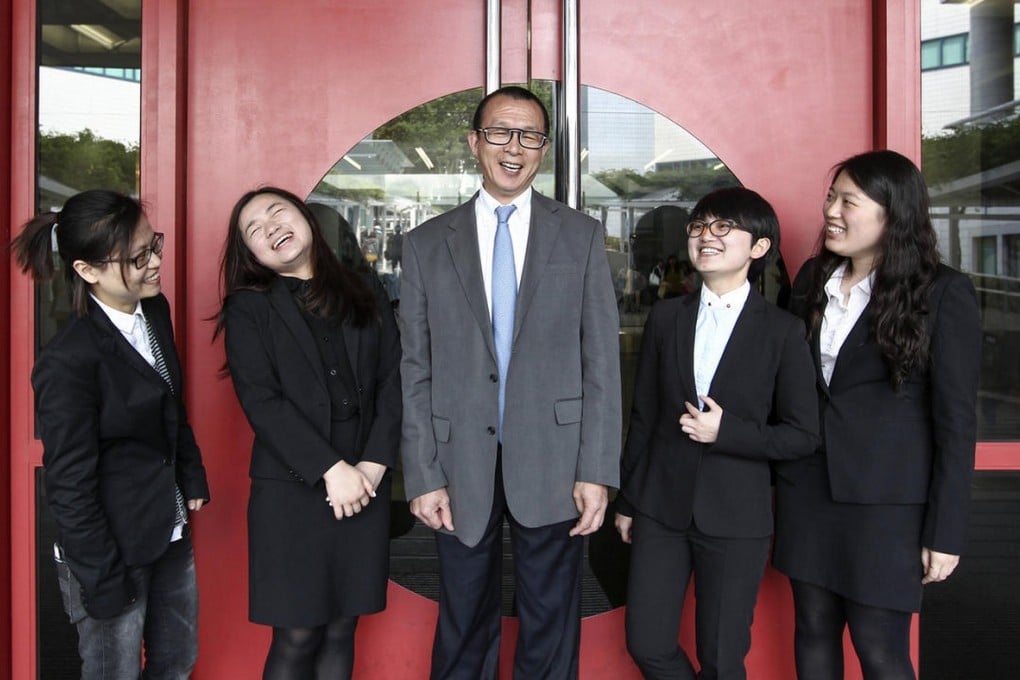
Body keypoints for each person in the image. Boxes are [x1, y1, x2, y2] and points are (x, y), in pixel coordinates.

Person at [399, 85, 622, 679]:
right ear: (475, 142)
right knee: (463, 615)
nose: (513, 147)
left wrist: (596, 470)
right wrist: (420, 474)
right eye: (500, 132)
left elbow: (602, 362)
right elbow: (414, 369)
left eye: (529, 136)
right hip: (456, 459)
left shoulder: (580, 236)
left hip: (555, 455)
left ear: (543, 150)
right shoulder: (424, 245)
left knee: (551, 616)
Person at [772, 150, 981, 679]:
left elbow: (956, 422)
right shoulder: (811, 278)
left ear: (894, 213)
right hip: (809, 492)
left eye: (849, 200)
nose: (831, 211)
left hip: (887, 507)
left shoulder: (943, 292)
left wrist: (946, 530)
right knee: (813, 632)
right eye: (830, 196)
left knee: (880, 650)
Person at [615, 187, 819, 679]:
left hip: (734, 517)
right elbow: (643, 414)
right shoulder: (666, 317)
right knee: (646, 643)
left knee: (723, 659)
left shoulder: (782, 332)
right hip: (661, 508)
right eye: (700, 227)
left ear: (759, 248)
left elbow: (802, 435)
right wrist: (628, 499)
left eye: (723, 227)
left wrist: (726, 432)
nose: (706, 237)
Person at [12, 189, 210, 679]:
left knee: (176, 663)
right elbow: (69, 485)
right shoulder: (69, 361)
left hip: (169, 528)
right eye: (139, 257)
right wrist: (102, 579)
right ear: (87, 270)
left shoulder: (155, 311)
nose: (156, 261)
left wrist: (192, 476)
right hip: (109, 551)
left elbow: (170, 404)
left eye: (153, 244)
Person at [217, 187, 401, 679]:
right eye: (255, 229)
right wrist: (330, 470)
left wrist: (374, 464)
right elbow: (262, 401)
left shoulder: (364, 287)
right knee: (297, 633)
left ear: (305, 216)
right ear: (251, 253)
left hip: (366, 478)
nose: (271, 227)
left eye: (277, 212)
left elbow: (392, 379)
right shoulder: (248, 309)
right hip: (292, 488)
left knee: (343, 625)